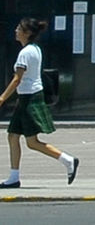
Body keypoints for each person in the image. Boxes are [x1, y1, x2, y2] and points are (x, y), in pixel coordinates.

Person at [0, 18, 79, 188]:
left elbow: (17, 79)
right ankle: (14, 177)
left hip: (29, 99)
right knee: (13, 136)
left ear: (27, 33)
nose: (15, 30)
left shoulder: (25, 52)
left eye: (19, 28)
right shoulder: (35, 49)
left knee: (32, 142)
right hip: (28, 97)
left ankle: (68, 160)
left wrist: (2, 98)